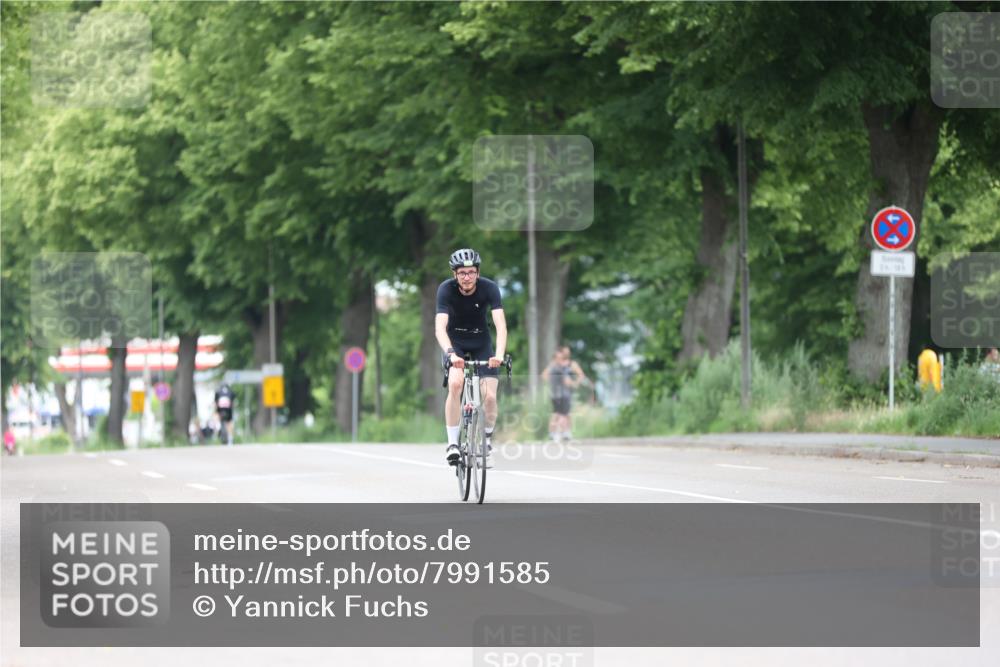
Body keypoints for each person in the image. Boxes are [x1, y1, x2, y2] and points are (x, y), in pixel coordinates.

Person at [435, 248, 507, 468]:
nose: (467, 277)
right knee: (456, 384)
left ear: (477, 272)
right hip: (455, 344)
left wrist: (499, 355)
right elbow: (440, 328)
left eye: (471, 272)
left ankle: (485, 440)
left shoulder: (490, 288)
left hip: (481, 343)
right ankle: (452, 445)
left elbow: (501, 326)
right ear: (455, 274)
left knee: (490, 398)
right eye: (462, 273)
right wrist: (450, 353)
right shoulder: (445, 290)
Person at [541, 345, 590, 441]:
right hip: (557, 393)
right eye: (564, 352)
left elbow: (580, 375)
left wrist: (574, 384)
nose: (566, 354)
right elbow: (544, 375)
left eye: (568, 352)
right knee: (558, 413)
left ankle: (565, 433)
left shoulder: (571, 364)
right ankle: (556, 433)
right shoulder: (555, 364)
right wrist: (553, 383)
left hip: (567, 392)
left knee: (565, 413)